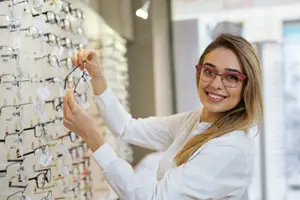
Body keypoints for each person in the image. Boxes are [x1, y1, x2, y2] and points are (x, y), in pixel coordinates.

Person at [63, 33, 263, 200]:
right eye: (209, 71)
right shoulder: (196, 119)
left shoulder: (230, 148)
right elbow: (127, 128)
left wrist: (92, 137)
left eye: (231, 77)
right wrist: (97, 77)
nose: (216, 84)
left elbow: (152, 197)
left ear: (248, 85)